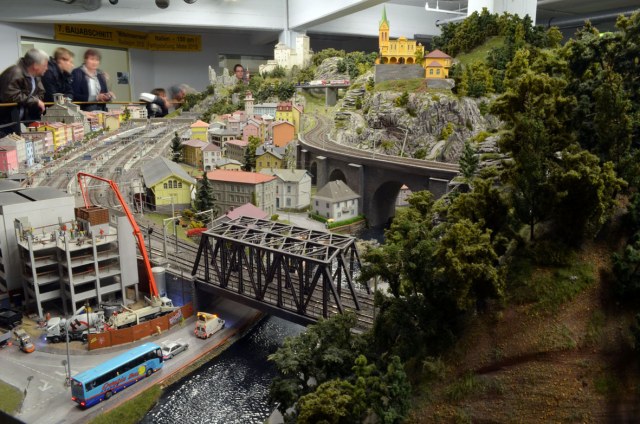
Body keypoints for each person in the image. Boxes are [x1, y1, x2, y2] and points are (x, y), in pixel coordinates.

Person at [0, 48, 48, 136]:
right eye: (44, 65)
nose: (46, 68)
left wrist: (35, 101)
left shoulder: (36, 77)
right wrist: (35, 101)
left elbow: (41, 93)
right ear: (35, 65)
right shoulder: (14, 72)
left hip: (20, 121)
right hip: (5, 122)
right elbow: (10, 95)